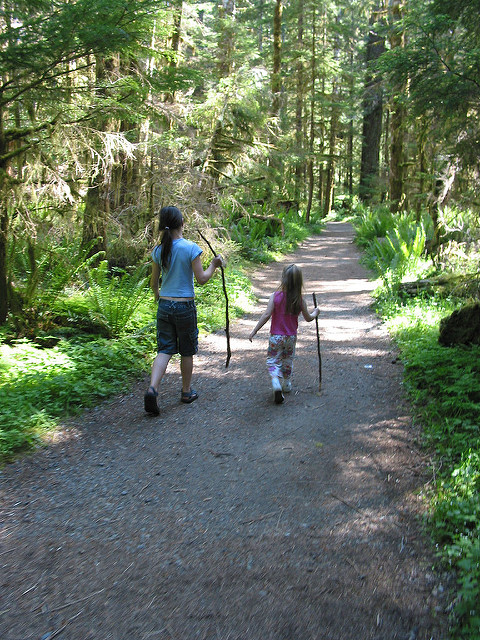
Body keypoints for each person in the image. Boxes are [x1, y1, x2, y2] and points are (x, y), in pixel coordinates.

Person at [144, 206, 223, 415]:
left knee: (164, 349)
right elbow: (202, 279)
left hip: (164, 305)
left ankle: (153, 388)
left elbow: (154, 282)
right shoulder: (190, 248)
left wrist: (157, 296)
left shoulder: (158, 250)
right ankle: (186, 392)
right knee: (186, 350)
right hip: (184, 306)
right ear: (182, 223)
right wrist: (214, 265)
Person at [249, 263, 319, 404]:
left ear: (283, 279)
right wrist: (315, 312)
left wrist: (255, 330)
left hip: (276, 337)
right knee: (288, 359)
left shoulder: (275, 296)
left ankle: (276, 382)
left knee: (273, 360)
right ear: (299, 282)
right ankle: (286, 383)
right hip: (291, 338)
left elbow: (267, 314)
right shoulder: (300, 300)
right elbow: (308, 318)